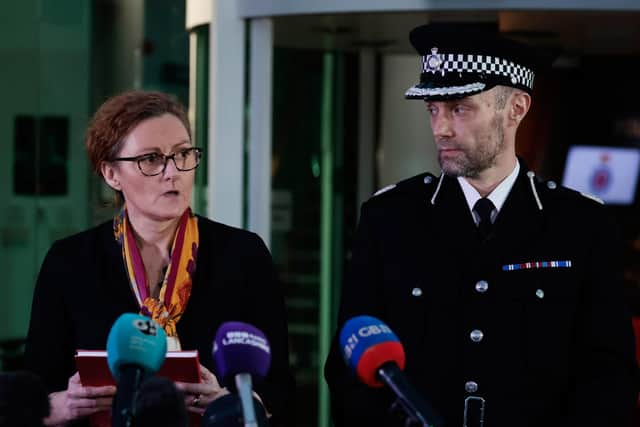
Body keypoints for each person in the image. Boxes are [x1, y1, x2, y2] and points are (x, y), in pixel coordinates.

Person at [324, 23, 639, 427]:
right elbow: (350, 366)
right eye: (433, 109)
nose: (440, 128)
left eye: (459, 108)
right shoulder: (389, 219)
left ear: (516, 109)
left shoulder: (581, 226)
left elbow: (609, 376)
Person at [24, 91, 294, 426]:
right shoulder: (69, 262)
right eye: (151, 159)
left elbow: (279, 389)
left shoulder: (243, 255)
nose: (173, 172)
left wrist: (233, 402)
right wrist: (63, 405)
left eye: (183, 153)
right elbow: (35, 390)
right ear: (110, 173)